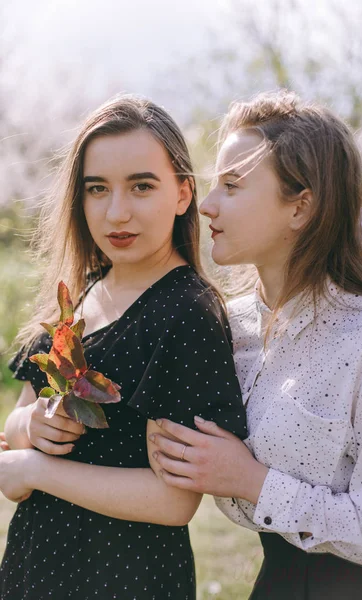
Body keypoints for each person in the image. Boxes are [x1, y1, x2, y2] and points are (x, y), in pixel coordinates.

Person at [148, 91, 362, 598]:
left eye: (233, 185)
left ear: (301, 208)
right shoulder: (227, 327)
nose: (206, 204)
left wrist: (252, 482)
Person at [0, 95, 247, 600]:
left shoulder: (187, 313)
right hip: (35, 566)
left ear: (182, 194)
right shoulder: (80, 294)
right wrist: (32, 426)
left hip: (120, 575)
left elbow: (173, 501)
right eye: (97, 189)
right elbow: (12, 445)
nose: (117, 211)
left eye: (141, 186)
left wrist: (36, 468)